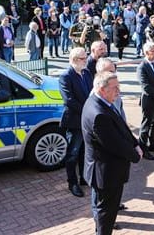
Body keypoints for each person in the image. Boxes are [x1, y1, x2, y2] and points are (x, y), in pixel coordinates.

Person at [82, 72, 142, 235]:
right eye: (115, 88)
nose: (119, 91)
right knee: (106, 214)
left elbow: (121, 126)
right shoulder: (98, 114)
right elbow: (115, 144)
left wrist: (135, 143)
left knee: (104, 210)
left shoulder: (100, 101)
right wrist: (135, 155)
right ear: (102, 90)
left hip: (106, 172)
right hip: (106, 174)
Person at [59, 48, 93, 198]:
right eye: (82, 58)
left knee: (84, 152)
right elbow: (69, 100)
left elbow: (92, 93)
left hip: (86, 121)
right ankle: (72, 183)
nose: (85, 61)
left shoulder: (87, 73)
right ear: (73, 60)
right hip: (74, 121)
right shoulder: (66, 76)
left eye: (85, 58)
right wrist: (87, 111)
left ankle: (83, 178)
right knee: (73, 153)